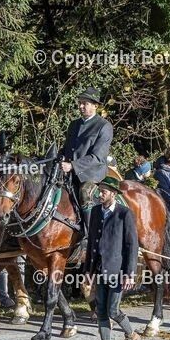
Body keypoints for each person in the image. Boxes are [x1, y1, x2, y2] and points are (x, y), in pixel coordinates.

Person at [84, 176, 141, 340]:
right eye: (99, 191)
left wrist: (130, 274)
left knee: (113, 310)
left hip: (118, 271)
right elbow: (92, 242)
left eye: (104, 192)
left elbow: (132, 246)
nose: (100, 194)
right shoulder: (95, 212)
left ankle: (133, 337)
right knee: (100, 310)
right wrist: (88, 271)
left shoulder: (124, 214)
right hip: (100, 269)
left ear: (114, 194)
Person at [61, 87, 113, 234]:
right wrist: (58, 158)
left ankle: (91, 235)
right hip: (70, 170)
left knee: (85, 193)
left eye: (85, 103)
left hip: (92, 174)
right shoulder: (74, 124)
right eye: (80, 103)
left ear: (95, 105)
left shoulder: (104, 126)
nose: (81, 106)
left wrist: (72, 165)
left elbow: (97, 157)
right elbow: (67, 149)